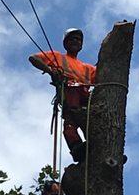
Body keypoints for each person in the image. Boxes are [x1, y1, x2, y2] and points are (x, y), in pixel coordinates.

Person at [29, 28, 96, 162]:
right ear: (65, 43)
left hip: (86, 97)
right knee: (70, 123)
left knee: (92, 124)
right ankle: (76, 147)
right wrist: (50, 71)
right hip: (70, 92)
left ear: (81, 44)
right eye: (72, 39)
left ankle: (101, 148)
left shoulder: (88, 68)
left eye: (78, 39)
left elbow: (104, 79)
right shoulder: (57, 57)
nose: (75, 41)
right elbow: (33, 58)